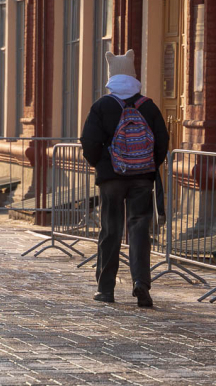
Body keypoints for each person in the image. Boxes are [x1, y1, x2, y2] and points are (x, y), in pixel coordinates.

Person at [80, 49, 169, 308]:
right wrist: (148, 164)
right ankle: (141, 283)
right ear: (133, 76)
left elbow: (89, 142)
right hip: (143, 177)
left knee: (111, 230)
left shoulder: (102, 106)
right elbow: (162, 141)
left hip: (112, 179)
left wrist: (102, 164)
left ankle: (105, 289)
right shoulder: (148, 106)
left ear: (111, 75)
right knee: (140, 229)